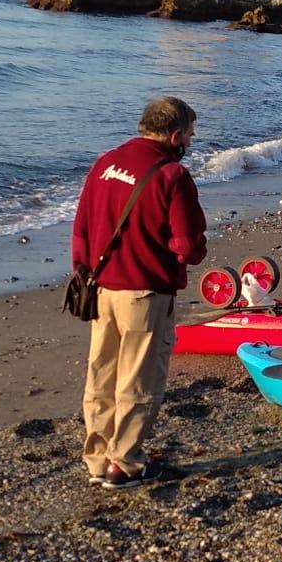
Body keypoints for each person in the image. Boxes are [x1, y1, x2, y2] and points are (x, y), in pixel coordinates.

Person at [71, 95, 207, 487]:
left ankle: (98, 458)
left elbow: (81, 226)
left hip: (101, 287)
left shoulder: (105, 163)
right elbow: (188, 245)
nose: (189, 143)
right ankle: (126, 462)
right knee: (140, 380)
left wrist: (82, 269)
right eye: (189, 135)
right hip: (145, 292)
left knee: (101, 375)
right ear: (174, 135)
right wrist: (191, 250)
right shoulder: (172, 176)